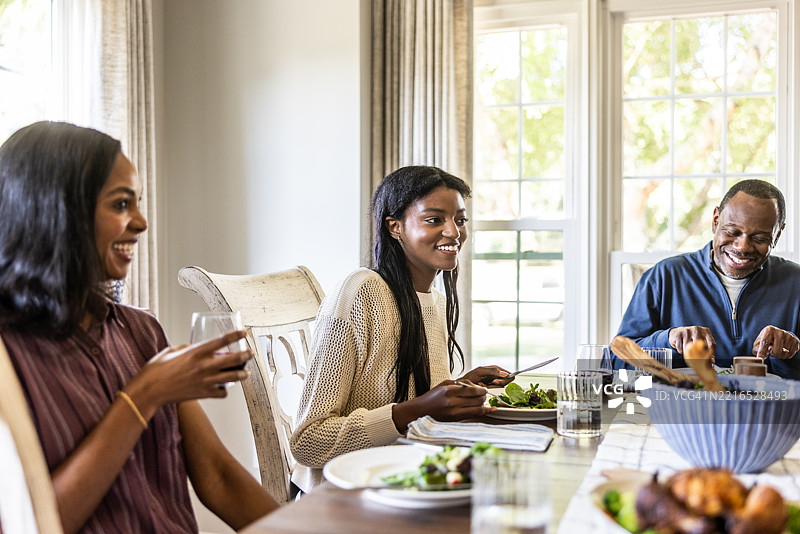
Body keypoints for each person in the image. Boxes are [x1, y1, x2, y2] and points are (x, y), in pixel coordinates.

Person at [0, 121, 278, 534]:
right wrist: (145, 394)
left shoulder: (142, 332)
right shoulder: (9, 359)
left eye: (137, 203)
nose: (142, 222)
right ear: (58, 213)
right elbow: (38, 523)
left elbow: (217, 476)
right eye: (120, 204)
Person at [289, 165, 512, 492]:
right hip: (341, 497)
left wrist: (457, 388)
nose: (454, 232)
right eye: (435, 219)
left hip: (405, 486)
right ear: (395, 227)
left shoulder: (433, 300)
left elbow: (414, 406)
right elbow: (309, 443)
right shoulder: (359, 292)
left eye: (460, 220)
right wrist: (420, 408)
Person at [615, 179, 800, 378]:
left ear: (778, 234)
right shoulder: (664, 276)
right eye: (732, 232)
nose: (742, 247)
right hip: (682, 407)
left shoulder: (795, 282)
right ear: (715, 220)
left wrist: (792, 353)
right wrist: (667, 340)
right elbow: (616, 362)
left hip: (771, 408)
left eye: (760, 239)